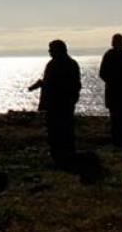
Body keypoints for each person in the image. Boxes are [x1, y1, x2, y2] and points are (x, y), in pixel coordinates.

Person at [27, 39, 81, 168]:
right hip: (63, 102)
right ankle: (65, 155)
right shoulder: (70, 63)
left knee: (58, 130)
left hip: (58, 103)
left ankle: (60, 156)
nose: (49, 52)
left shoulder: (56, 65)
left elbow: (57, 84)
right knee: (63, 129)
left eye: (51, 50)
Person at [99, 33, 122, 148]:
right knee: (116, 119)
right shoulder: (111, 55)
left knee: (121, 119)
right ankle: (117, 142)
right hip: (115, 92)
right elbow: (103, 73)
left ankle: (120, 142)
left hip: (120, 92)